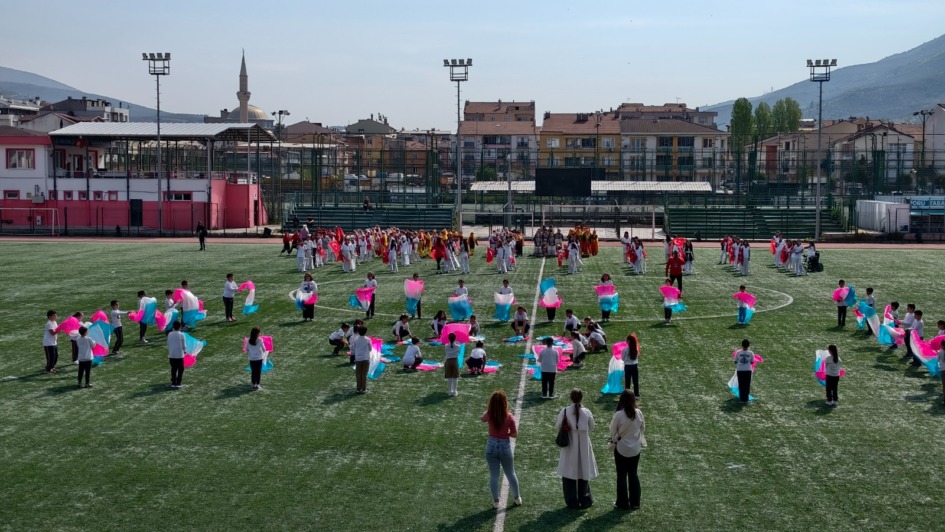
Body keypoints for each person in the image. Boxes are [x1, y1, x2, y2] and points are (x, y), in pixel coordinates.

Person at [556, 388, 598, 509]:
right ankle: (585, 499)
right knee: (583, 472)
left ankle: (572, 501)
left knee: (569, 474)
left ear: (571, 398)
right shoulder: (587, 412)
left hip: (570, 447)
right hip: (584, 446)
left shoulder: (565, 411)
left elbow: (558, 426)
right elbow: (591, 427)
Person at [482, 390, 522, 510]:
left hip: (491, 446)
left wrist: (489, 411)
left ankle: (496, 501)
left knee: (494, 475)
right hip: (504, 447)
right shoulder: (509, 417)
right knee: (510, 473)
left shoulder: (490, 414)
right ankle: (517, 498)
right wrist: (507, 433)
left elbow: (482, 418)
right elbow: (514, 434)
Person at [610, 390, 644, 510]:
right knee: (633, 475)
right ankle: (635, 503)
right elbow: (642, 428)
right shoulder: (638, 413)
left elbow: (612, 430)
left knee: (621, 476)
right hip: (635, 449)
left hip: (621, 448)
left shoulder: (619, 414)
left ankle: (622, 503)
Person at [351, 325, 372, 394]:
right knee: (364, 374)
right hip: (366, 358)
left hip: (358, 359)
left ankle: (358, 388)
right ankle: (364, 388)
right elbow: (370, 349)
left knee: (358, 374)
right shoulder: (368, 339)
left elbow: (353, 349)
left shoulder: (356, 339)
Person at [246, 326, 268, 391]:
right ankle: (257, 384)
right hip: (259, 358)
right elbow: (264, 349)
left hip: (252, 359)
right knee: (258, 372)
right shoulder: (260, 340)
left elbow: (246, 349)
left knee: (253, 372)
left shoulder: (249, 340)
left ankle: (253, 384)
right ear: (257, 333)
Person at [734, 339, 754, 404]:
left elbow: (735, 361)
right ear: (748, 345)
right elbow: (752, 362)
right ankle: (746, 398)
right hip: (748, 370)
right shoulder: (751, 353)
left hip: (740, 370)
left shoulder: (738, 352)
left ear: (742, 345)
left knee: (741, 384)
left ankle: (742, 399)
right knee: (747, 384)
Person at [167, 321, 186, 388]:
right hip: (179, 355)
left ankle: (173, 382)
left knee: (173, 368)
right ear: (180, 327)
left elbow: (168, 344)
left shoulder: (170, 334)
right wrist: (185, 351)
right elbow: (184, 346)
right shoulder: (181, 334)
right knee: (180, 369)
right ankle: (178, 382)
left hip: (172, 354)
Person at [444, 332, 461, 397]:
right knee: (455, 377)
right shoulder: (458, 346)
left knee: (449, 377)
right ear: (455, 338)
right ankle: (455, 391)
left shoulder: (446, 346)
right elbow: (459, 352)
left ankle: (449, 391)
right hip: (454, 361)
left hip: (448, 361)